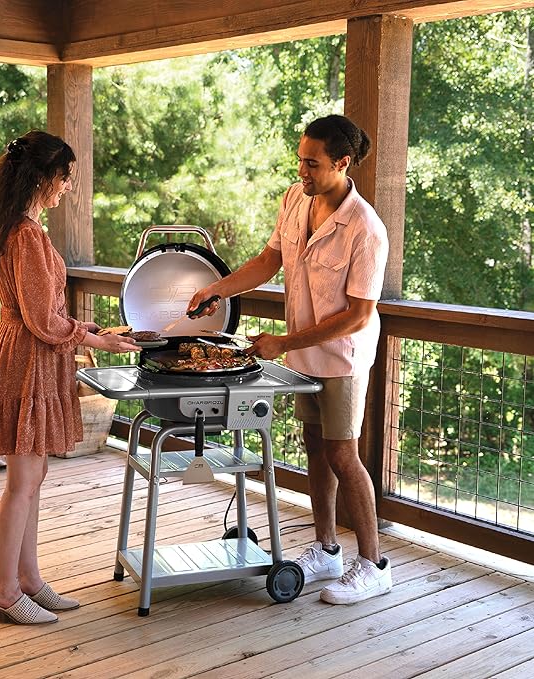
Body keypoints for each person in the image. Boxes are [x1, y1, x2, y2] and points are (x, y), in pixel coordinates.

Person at [187, 114, 391, 605]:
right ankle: (327, 550)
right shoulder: (295, 199)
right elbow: (268, 260)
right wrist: (218, 289)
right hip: (303, 354)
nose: (302, 171)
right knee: (315, 447)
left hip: (341, 358)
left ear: (342, 163)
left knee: (343, 454)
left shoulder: (366, 228)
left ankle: (374, 565)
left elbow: (359, 315)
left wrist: (284, 342)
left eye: (312, 163)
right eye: (300, 159)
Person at [0, 130, 136, 625]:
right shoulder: (25, 234)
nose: (67, 186)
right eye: (63, 177)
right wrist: (96, 340)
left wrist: (89, 329)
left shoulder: (23, 228)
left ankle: (28, 579)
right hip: (26, 360)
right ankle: (3, 592)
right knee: (22, 481)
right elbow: (41, 319)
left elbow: (44, 312)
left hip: (32, 357)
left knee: (33, 476)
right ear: (42, 177)